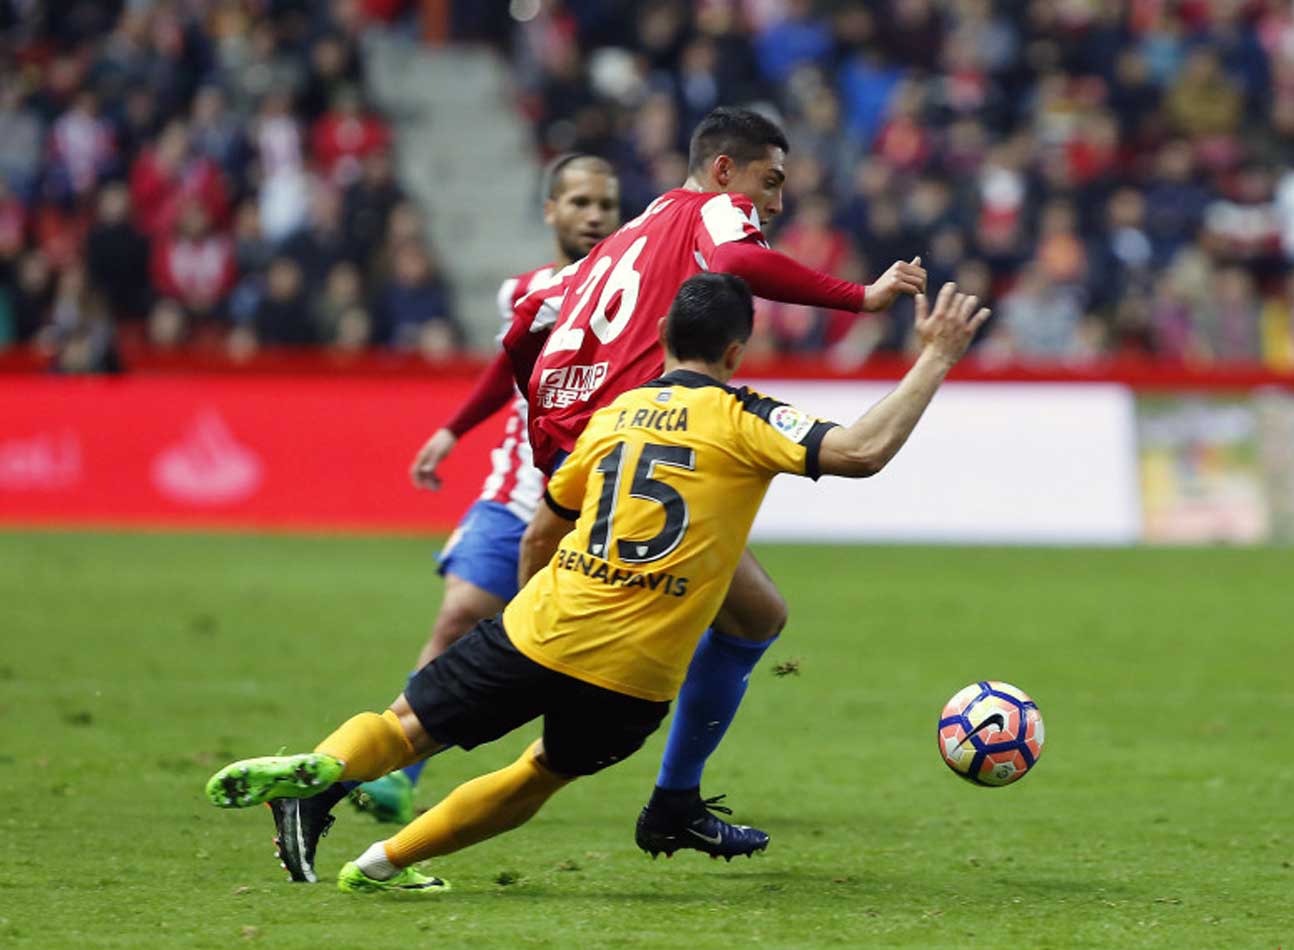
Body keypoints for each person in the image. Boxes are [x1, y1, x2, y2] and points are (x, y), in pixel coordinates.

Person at [206, 272, 990, 894]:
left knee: (408, 725)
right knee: (539, 772)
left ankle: (327, 771)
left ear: (659, 336)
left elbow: (545, 526)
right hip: (635, 677)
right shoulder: (749, 416)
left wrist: (532, 617)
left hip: (544, 625)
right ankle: (380, 865)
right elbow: (859, 451)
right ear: (736, 351)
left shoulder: (615, 416)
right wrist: (936, 357)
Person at [466, 107, 926, 863]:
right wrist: (860, 297)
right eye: (767, 182)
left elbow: (524, 326)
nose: (773, 203)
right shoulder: (713, 211)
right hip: (636, 446)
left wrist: (546, 410)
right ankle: (645, 782)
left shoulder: (632, 230)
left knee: (751, 614)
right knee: (601, 648)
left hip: (581, 443)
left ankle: (668, 797)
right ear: (723, 170)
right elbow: (739, 265)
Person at [266, 155, 619, 882]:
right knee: (459, 616)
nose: (594, 215)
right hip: (516, 494)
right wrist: (453, 430)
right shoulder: (524, 292)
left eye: (607, 204)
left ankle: (675, 787)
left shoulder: (631, 291)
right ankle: (394, 777)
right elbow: (503, 371)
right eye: (580, 201)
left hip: (594, 507)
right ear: (549, 210)